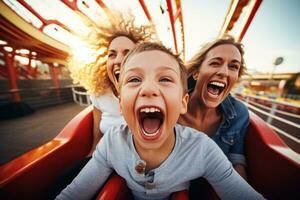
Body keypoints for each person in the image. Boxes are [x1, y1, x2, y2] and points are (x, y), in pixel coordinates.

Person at [56, 42, 264, 200]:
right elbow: (73, 194)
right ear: (120, 105)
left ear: (183, 102)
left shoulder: (203, 149)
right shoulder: (111, 143)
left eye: (165, 79)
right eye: (134, 79)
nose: (148, 89)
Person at [69, 13, 155, 155]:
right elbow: (96, 143)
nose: (118, 60)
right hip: (105, 160)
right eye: (112, 54)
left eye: (127, 53)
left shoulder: (152, 94)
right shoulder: (99, 95)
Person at [179, 36, 249, 179]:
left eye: (233, 67)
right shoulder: (170, 104)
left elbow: (236, 162)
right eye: (215, 63)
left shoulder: (239, 114)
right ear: (196, 73)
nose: (224, 72)